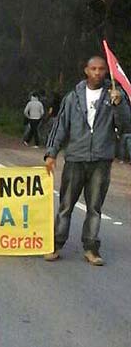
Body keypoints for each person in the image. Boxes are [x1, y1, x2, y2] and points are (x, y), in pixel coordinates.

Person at [44, 56, 131, 265]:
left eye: (101, 69)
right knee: (66, 205)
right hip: (75, 158)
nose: (98, 72)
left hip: (101, 159)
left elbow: (126, 125)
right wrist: (51, 153)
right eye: (94, 69)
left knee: (94, 207)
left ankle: (91, 248)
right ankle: (56, 244)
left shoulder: (114, 95)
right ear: (86, 70)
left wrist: (119, 105)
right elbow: (60, 126)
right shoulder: (73, 97)